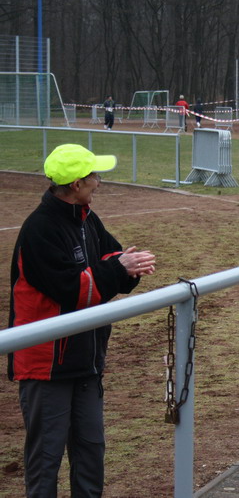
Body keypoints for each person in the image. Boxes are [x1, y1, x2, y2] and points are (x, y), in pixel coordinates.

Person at [7, 143, 157, 496]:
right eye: (94, 176)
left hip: (86, 360)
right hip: (46, 366)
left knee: (91, 451)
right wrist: (117, 269)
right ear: (76, 184)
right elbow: (75, 290)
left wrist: (126, 268)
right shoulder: (40, 229)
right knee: (45, 459)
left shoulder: (87, 218)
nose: (99, 182)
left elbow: (111, 258)